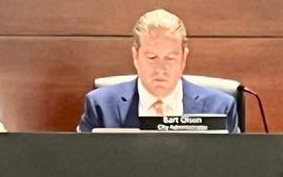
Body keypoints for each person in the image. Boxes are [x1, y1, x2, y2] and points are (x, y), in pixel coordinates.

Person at [77, 9, 239, 133]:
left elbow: (234, 170)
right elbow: (83, 168)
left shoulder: (219, 107)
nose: (160, 69)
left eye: (170, 58)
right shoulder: (101, 106)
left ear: (184, 58)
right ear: (135, 56)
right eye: (152, 57)